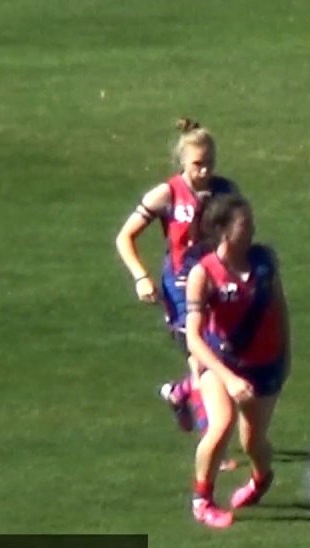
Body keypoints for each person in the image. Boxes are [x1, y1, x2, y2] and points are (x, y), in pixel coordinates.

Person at [114, 117, 239, 430]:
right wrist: (141, 277)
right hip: (181, 287)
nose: (205, 171)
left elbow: (239, 235)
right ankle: (211, 442)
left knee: (225, 356)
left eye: (210, 163)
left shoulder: (226, 192)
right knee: (201, 361)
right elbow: (124, 237)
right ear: (183, 161)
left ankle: (179, 393)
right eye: (198, 164)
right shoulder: (167, 193)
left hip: (217, 283)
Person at [182, 193, 289, 528]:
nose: (253, 228)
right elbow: (194, 338)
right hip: (222, 363)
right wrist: (227, 378)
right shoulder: (204, 274)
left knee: (252, 441)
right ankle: (203, 500)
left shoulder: (265, 261)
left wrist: (285, 355)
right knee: (221, 425)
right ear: (225, 232)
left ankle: (261, 478)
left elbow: (279, 306)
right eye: (246, 224)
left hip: (265, 366)